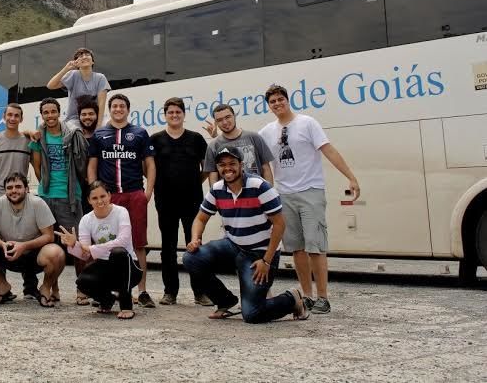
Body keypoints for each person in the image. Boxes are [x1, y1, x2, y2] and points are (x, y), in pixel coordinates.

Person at [259, 84, 361, 314]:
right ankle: (307, 295)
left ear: (287, 100)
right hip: (284, 194)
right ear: (269, 106)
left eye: (280, 99)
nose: (277, 104)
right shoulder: (266, 131)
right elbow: (256, 158)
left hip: (310, 191)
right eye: (272, 101)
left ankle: (323, 297)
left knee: (316, 246)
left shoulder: (307, 123)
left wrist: (351, 177)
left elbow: (329, 150)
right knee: (296, 248)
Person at [183, 146, 310, 323]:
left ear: (241, 165)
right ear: (217, 168)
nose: (227, 168)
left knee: (252, 314)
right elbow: (200, 219)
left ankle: (292, 299)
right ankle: (225, 301)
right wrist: (195, 239)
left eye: (232, 163)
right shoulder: (217, 189)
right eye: (222, 165)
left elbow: (280, 225)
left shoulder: (260, 187)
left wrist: (266, 260)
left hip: (259, 254)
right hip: (233, 246)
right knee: (191, 258)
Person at [87, 93, 156, 307]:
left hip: (134, 193)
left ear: (128, 109)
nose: (118, 109)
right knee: (105, 244)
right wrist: (94, 192)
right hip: (110, 197)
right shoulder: (99, 134)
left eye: (122, 106)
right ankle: (109, 291)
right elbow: (92, 166)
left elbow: (151, 165)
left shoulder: (140, 133)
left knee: (138, 243)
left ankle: (142, 291)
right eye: (114, 106)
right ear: (110, 109)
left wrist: (147, 194)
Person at [0, 173, 65, 307]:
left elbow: (49, 236)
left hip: (34, 254)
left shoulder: (38, 203)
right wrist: (1, 243)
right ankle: (3, 286)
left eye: (18, 187)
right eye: (9, 187)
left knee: (57, 253)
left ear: (26, 189)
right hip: (8, 252)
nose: (13, 190)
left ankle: (45, 288)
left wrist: (24, 246)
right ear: (5, 190)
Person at [150, 97, 211, 306]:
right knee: (168, 247)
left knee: (195, 245)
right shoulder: (155, 139)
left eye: (178, 112)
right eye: (170, 112)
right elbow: (148, 168)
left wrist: (195, 180)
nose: (174, 115)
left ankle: (200, 292)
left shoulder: (196, 139)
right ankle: (170, 292)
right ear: (165, 115)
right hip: (165, 201)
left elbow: (208, 167)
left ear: (184, 115)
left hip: (193, 201)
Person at [29, 97, 89, 303]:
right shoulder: (39, 138)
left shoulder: (71, 134)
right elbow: (36, 167)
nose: (50, 116)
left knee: (76, 243)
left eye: (53, 111)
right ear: (42, 115)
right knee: (51, 244)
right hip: (46, 197)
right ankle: (53, 288)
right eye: (45, 112)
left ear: (59, 112)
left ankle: (82, 288)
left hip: (70, 196)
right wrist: (46, 184)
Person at [58, 180, 141, 319]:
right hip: (105, 266)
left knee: (118, 252)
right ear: (89, 201)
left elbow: (123, 240)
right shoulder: (86, 220)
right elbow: (85, 254)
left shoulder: (121, 212)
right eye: (95, 198)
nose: (100, 201)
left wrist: (92, 248)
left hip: (129, 267)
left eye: (102, 196)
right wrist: (74, 244)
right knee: (82, 282)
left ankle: (126, 306)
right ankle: (107, 300)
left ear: (109, 196)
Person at [203, 102, 274, 186]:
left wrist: (270, 192)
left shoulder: (254, 137)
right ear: (216, 122)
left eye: (227, 117)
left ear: (234, 116)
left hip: (257, 193)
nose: (225, 122)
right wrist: (216, 196)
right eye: (220, 120)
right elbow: (213, 176)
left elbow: (265, 168)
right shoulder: (213, 146)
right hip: (229, 197)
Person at [46, 48, 109, 129]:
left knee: (108, 126)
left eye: (87, 55)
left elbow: (101, 104)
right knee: (75, 132)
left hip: (94, 117)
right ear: (76, 63)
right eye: (80, 56)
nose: (84, 57)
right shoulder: (72, 75)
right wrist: (66, 68)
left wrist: (99, 126)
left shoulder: (100, 77)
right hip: (75, 119)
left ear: (92, 61)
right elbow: (50, 85)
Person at [0, 104, 31, 208]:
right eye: (10, 115)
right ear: (4, 117)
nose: (12, 118)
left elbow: (37, 167)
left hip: (20, 195)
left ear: (21, 119)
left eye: (16, 116)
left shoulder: (28, 141)